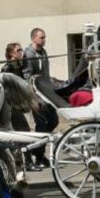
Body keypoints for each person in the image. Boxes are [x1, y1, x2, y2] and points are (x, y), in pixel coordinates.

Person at [21, 28, 58, 168]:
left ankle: (37, 150)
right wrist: (32, 98)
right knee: (41, 125)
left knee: (54, 121)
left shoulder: (43, 52)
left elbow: (45, 73)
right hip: (36, 96)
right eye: (41, 37)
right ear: (33, 38)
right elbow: (27, 77)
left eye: (44, 37)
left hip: (47, 94)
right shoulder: (28, 54)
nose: (44, 40)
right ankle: (40, 156)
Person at [2, 43, 40, 176]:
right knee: (23, 133)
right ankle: (28, 163)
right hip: (11, 107)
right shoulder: (7, 68)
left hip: (17, 105)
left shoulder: (19, 66)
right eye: (18, 50)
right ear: (11, 54)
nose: (21, 52)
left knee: (23, 133)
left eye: (21, 50)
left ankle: (28, 161)